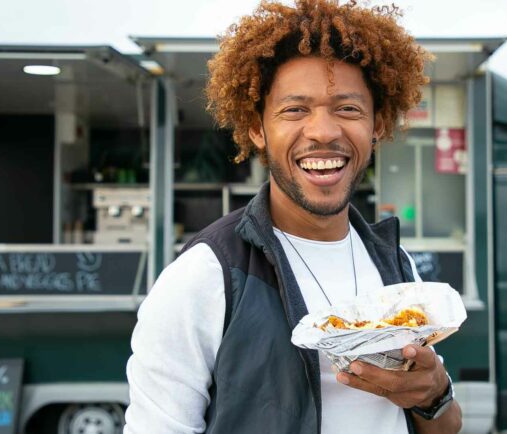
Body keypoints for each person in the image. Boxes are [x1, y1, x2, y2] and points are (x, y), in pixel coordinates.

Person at [124, 1, 462, 433]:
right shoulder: (207, 275)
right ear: (256, 127)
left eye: (348, 108)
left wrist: (434, 394)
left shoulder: (397, 267)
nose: (323, 131)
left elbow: (448, 426)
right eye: (295, 109)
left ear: (377, 124)